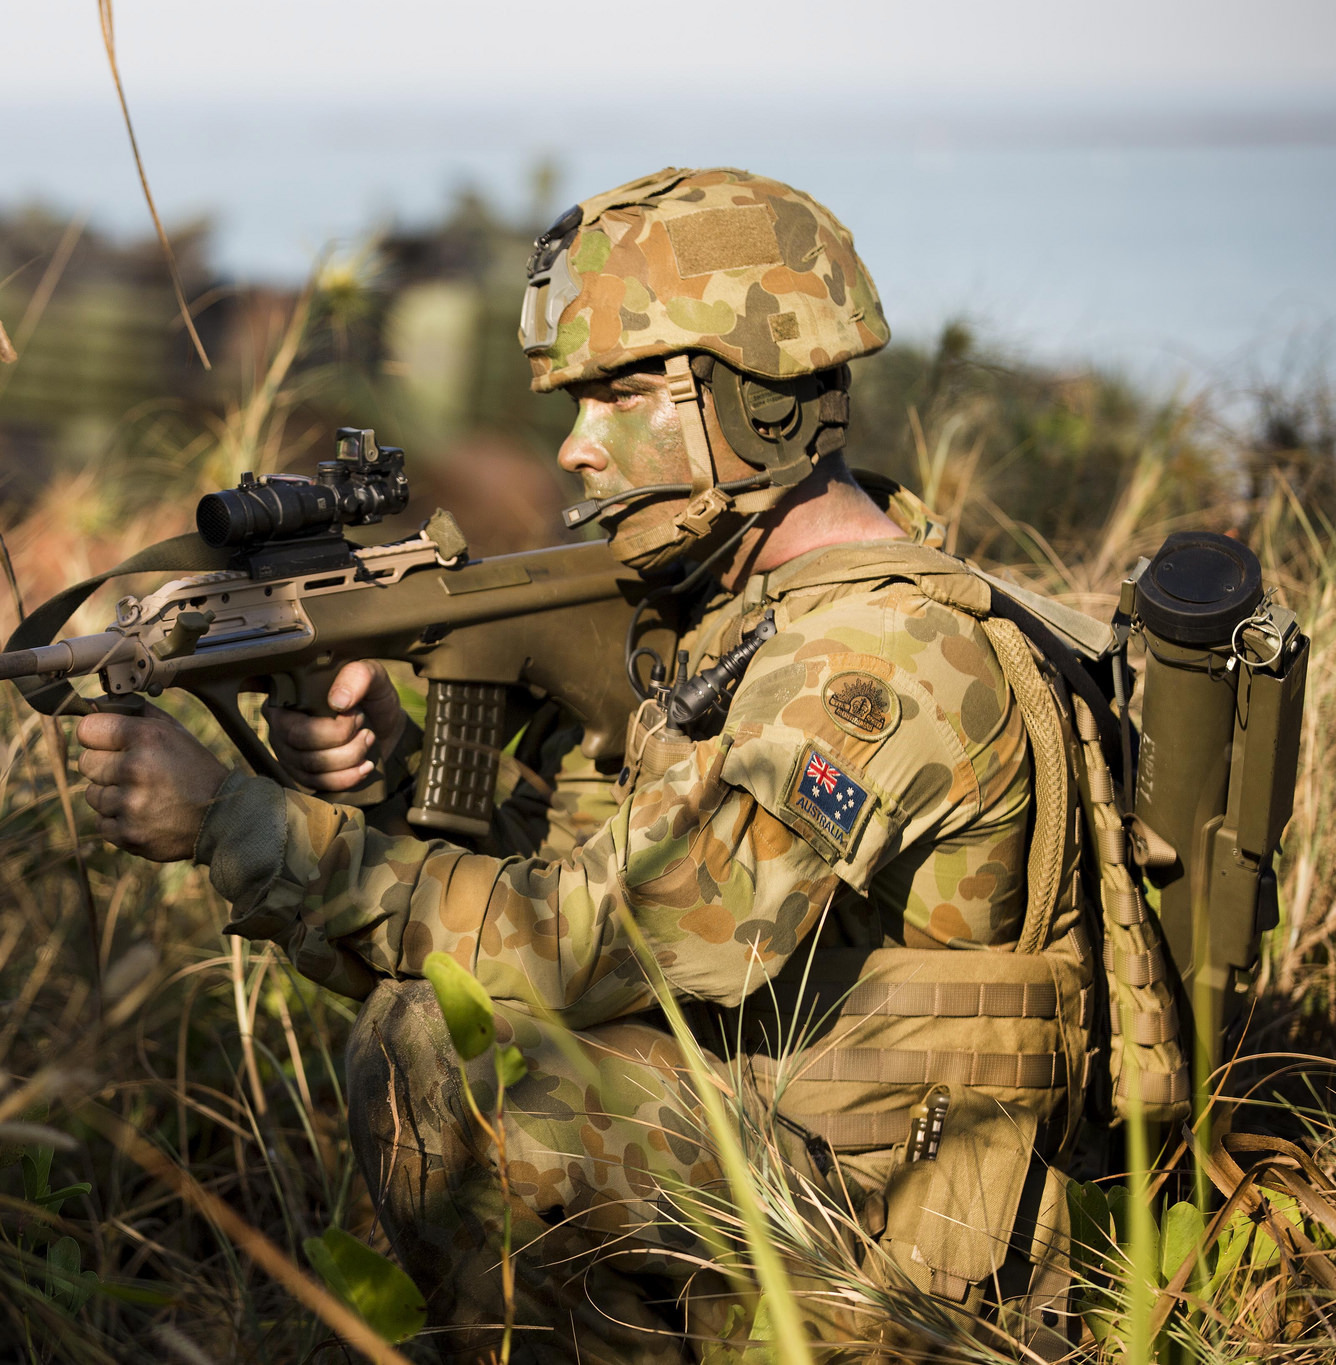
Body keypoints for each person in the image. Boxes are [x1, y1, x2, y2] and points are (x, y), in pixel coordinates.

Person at [74, 168, 1105, 1362]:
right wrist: (398, 778)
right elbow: (606, 891)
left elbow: (595, 943)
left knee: (458, 1063)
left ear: (750, 402)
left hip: (894, 1265)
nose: (571, 448)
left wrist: (231, 824)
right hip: (810, 1167)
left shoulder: (871, 662)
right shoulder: (758, 619)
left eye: (616, 395)